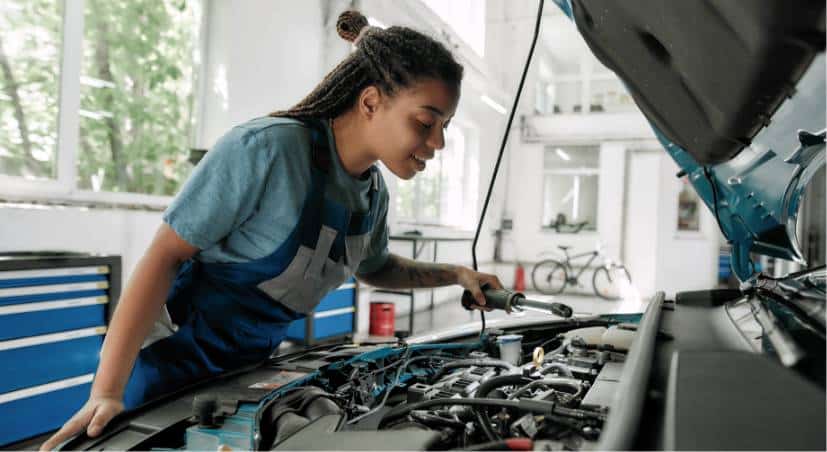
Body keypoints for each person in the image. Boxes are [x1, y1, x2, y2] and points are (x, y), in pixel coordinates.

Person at [41, 10, 502, 450]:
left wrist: (457, 274)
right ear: (370, 101)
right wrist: (107, 390)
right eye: (425, 122)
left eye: (444, 127)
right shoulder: (267, 151)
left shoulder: (372, 192)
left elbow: (377, 267)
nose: (438, 143)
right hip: (164, 372)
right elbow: (163, 256)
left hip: (248, 374)